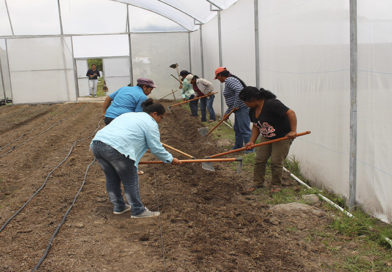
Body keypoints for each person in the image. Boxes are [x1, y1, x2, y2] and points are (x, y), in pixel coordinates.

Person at [90, 99, 181, 218]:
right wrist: (170, 159)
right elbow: (156, 148)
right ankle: (138, 210)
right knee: (130, 180)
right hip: (117, 148)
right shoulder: (151, 123)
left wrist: (134, 164)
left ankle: (119, 206)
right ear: (154, 114)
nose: (160, 121)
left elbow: (131, 140)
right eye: (161, 118)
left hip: (98, 144)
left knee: (112, 178)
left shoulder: (129, 115)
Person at [239, 86, 297, 191]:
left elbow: (291, 113)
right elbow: (256, 126)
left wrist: (293, 131)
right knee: (260, 159)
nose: (245, 104)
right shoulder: (252, 110)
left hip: (282, 137)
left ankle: (276, 184)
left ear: (252, 99)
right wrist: (251, 141)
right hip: (267, 136)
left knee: (276, 161)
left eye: (245, 101)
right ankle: (257, 183)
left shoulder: (272, 104)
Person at [215, 67, 251, 149]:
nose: (218, 79)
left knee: (244, 130)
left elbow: (239, 90)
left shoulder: (229, 80)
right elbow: (233, 100)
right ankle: (238, 147)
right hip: (238, 108)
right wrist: (227, 113)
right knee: (237, 129)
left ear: (220, 75)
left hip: (242, 108)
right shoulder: (230, 80)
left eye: (217, 77)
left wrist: (236, 106)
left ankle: (250, 150)